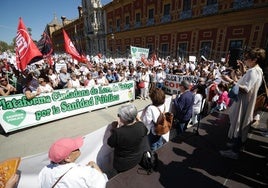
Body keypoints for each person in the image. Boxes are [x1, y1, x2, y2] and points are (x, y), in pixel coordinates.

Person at [220, 47, 266, 159]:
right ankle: (235, 145)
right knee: (240, 124)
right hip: (246, 101)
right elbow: (248, 79)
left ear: (254, 59)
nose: (245, 61)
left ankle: (234, 151)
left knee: (239, 124)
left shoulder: (253, 72)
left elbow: (246, 88)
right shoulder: (257, 70)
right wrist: (241, 68)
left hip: (243, 102)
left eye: (247, 58)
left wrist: (229, 80)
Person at [39, 137, 108, 188]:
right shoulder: (85, 172)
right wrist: (97, 169)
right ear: (67, 158)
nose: (79, 148)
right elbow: (105, 185)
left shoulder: (44, 171)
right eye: (76, 149)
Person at [107, 104, 148, 177]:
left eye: (119, 115)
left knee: (122, 179)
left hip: (122, 164)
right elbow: (145, 130)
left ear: (124, 118)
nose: (118, 117)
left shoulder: (118, 132)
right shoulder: (141, 126)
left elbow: (110, 143)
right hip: (137, 158)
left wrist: (114, 129)